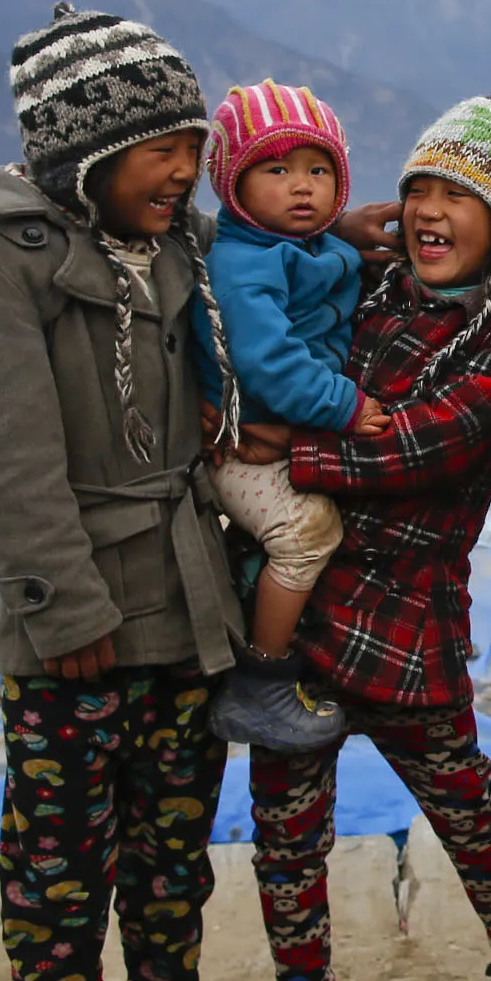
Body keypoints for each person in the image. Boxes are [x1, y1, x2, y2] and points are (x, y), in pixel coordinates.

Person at [0, 3, 247, 981]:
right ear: (82, 155)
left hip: (185, 601)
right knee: (61, 879)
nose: (186, 169)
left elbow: (264, 279)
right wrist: (64, 610)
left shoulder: (175, 252)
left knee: (171, 861)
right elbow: (2, 467)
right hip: (82, 625)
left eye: (192, 143)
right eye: (163, 147)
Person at [237, 92, 491, 981]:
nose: (430, 211)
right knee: (289, 818)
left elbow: (433, 446)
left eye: (460, 194)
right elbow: (254, 282)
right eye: (418, 189)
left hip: (412, 605)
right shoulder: (366, 276)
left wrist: (289, 453)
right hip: (302, 597)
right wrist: (332, 236)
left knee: (465, 798)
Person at [191, 81, 379, 752]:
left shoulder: (312, 250)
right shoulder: (243, 265)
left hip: (282, 435)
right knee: (307, 531)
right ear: (235, 186)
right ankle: (261, 683)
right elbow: (269, 366)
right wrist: (348, 410)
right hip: (240, 449)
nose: (303, 187)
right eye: (277, 169)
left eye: (319, 170)